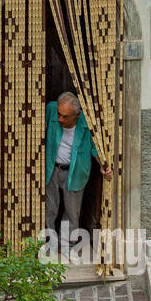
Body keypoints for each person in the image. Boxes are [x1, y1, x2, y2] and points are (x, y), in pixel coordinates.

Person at [45, 92, 112, 258]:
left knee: (72, 212)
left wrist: (104, 167)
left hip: (75, 173)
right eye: (59, 114)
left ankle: (67, 244)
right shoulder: (51, 110)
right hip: (52, 169)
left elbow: (95, 148)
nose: (60, 119)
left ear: (77, 114)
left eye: (65, 116)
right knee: (50, 209)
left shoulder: (87, 124)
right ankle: (51, 244)